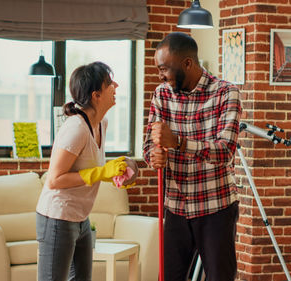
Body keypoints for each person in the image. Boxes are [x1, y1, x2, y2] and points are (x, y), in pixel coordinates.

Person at [143, 32, 242, 281]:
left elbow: (225, 151)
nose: (160, 75)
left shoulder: (226, 93)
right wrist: (153, 155)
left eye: (164, 68)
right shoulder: (161, 94)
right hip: (176, 206)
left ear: (187, 63)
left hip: (215, 207)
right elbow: (148, 145)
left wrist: (178, 143)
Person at [36, 61, 128, 281]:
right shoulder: (76, 128)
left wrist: (115, 173)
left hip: (81, 218)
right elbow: (54, 179)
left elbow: (90, 167)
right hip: (57, 217)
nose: (116, 85)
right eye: (109, 83)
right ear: (96, 95)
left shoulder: (100, 124)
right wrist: (100, 173)